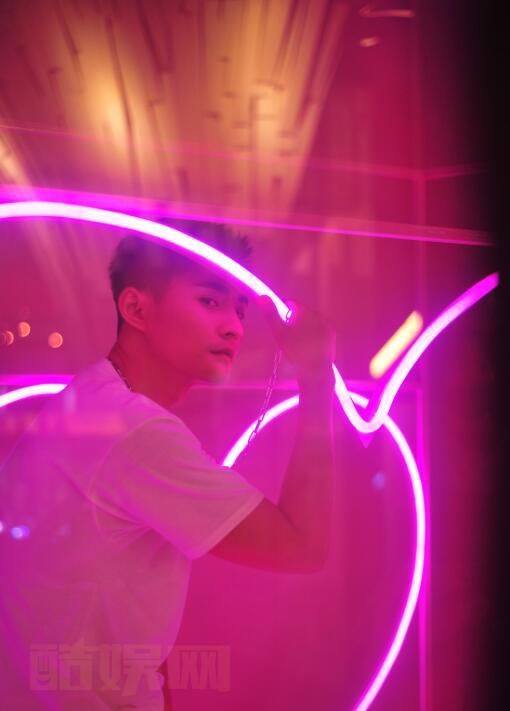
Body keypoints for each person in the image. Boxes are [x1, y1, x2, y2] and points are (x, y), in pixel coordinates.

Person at [0, 220, 336, 710]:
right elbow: (303, 546)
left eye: (240, 309)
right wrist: (317, 376)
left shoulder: (94, 400)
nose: (234, 326)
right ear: (136, 309)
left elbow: (136, 637)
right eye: (210, 300)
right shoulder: (135, 431)